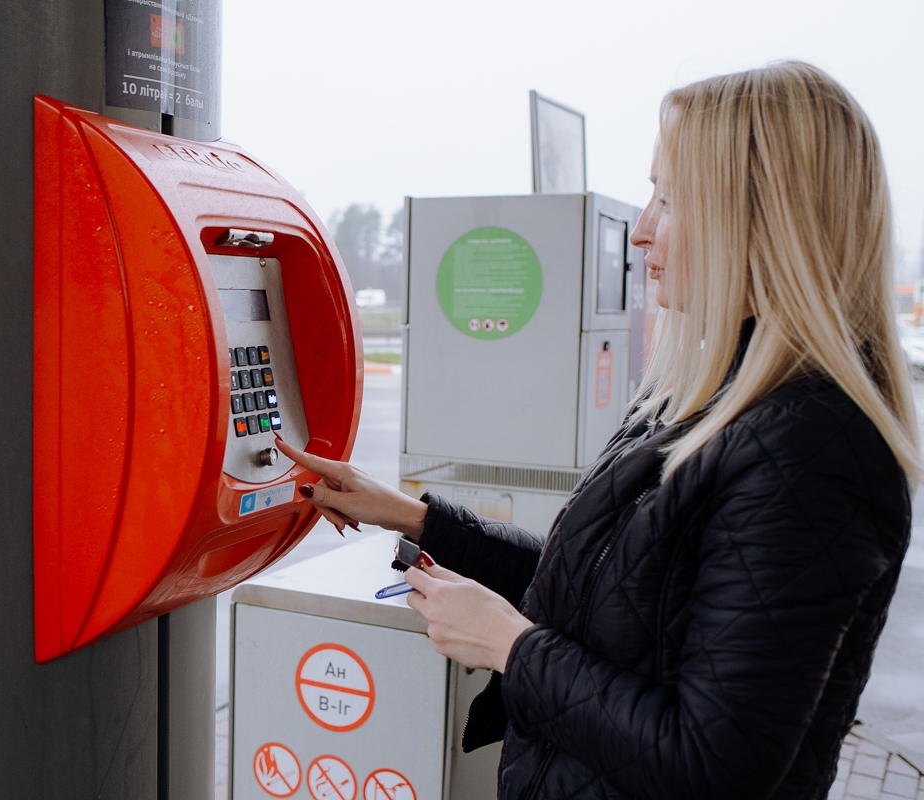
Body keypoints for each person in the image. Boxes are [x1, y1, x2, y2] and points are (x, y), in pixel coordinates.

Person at [277, 61, 917, 800]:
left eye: (671, 198)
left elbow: (715, 766)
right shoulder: (718, 397)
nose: (642, 232)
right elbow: (599, 596)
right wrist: (409, 515)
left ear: (767, 220)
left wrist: (512, 647)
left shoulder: (814, 451)